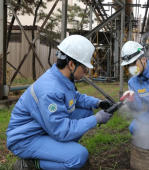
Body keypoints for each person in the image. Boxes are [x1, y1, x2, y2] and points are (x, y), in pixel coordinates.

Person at [6, 35, 114, 170]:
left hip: (43, 128)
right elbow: (61, 130)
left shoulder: (61, 78)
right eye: (84, 67)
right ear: (71, 64)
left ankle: (60, 152)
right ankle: (30, 163)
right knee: (79, 156)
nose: (86, 71)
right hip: (25, 139)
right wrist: (96, 119)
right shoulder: (50, 90)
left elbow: (76, 97)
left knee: (86, 111)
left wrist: (98, 103)